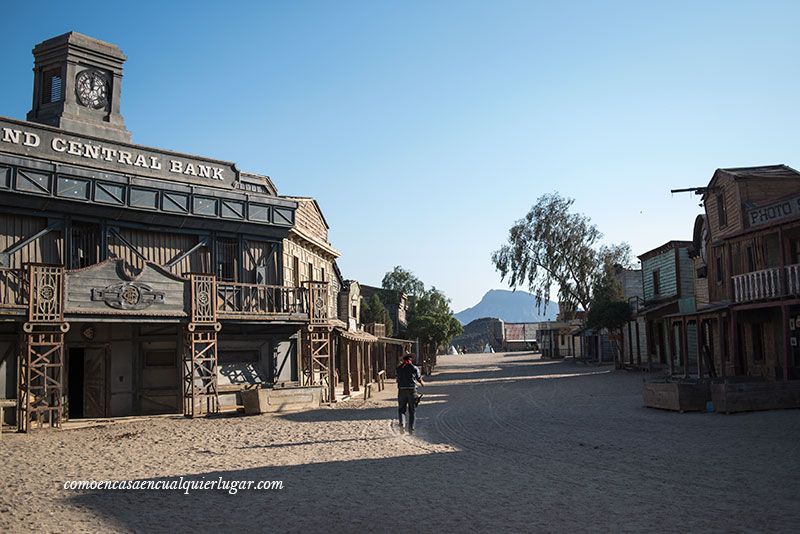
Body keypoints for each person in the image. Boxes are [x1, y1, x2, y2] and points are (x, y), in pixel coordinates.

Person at [396, 353, 424, 434]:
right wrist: (422, 383)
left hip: (401, 390)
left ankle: (402, 424)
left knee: (401, 409)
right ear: (410, 359)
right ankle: (411, 429)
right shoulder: (414, 367)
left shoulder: (399, 368)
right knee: (412, 410)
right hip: (412, 390)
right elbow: (419, 378)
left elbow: (397, 378)